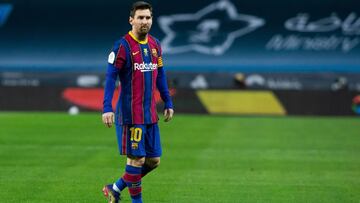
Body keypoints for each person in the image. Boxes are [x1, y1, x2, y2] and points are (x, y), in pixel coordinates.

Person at [101, 1, 174, 203]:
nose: (144, 21)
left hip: (149, 113)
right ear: (131, 20)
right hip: (131, 114)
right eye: (140, 17)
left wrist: (168, 101)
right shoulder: (122, 46)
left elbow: (160, 74)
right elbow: (110, 78)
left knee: (153, 161)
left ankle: (114, 188)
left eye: (148, 17)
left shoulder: (155, 45)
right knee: (136, 160)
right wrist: (107, 107)